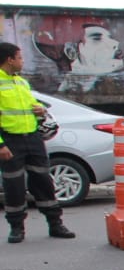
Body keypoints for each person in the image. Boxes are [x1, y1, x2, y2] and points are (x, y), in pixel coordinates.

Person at [0, 42, 76, 244]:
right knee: (14, 186)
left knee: (43, 182)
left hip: (33, 138)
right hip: (10, 140)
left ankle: (55, 224)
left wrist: (40, 110)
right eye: (20, 57)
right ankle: (17, 228)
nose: (22, 61)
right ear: (10, 59)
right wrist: (0, 145)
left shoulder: (22, 83)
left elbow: (31, 107)